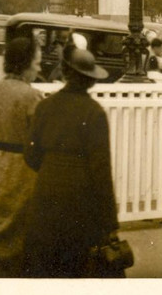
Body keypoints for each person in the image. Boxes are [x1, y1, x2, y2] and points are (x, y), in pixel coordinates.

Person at [22, 44, 120, 277]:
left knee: (43, 266)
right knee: (74, 267)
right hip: (80, 200)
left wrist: (51, 169)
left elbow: (31, 155)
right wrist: (109, 223)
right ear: (91, 80)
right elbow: (101, 171)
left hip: (45, 194)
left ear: (65, 73)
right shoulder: (94, 112)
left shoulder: (45, 106)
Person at [0, 31, 43, 275]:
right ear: (26, 64)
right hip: (24, 167)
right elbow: (42, 134)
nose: (38, 69)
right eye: (36, 63)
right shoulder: (31, 95)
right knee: (19, 225)